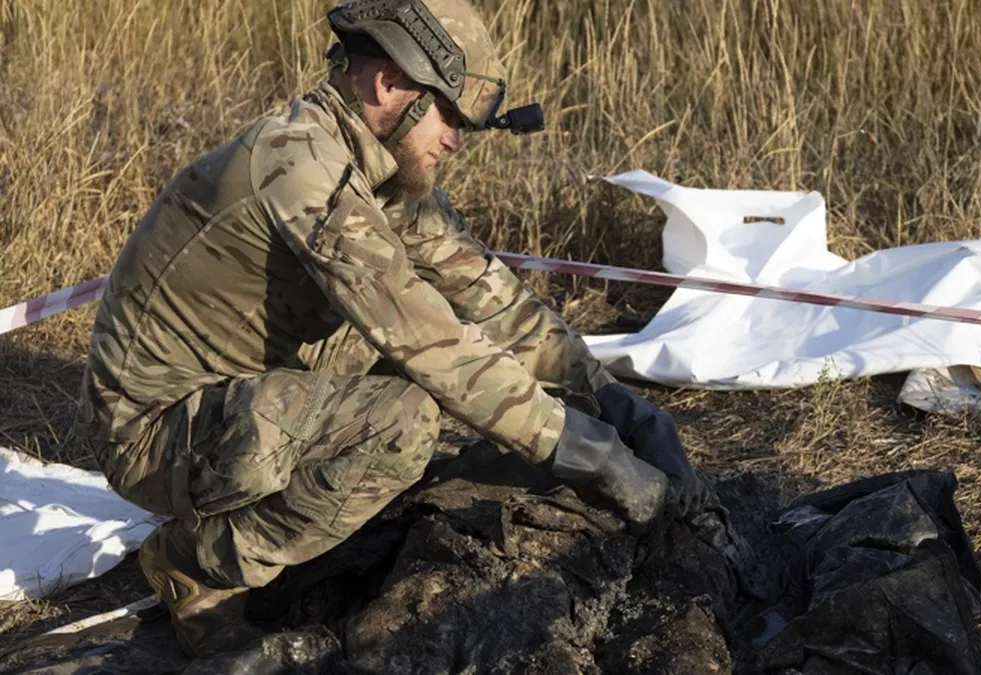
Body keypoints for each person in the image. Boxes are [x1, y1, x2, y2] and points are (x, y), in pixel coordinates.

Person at [73, 0, 704, 659]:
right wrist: (584, 450)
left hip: (230, 401)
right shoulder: (303, 171)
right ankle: (199, 563)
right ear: (387, 84)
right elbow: (429, 341)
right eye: (450, 117)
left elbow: (486, 294)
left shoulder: (378, 166)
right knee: (404, 421)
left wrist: (608, 397)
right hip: (151, 430)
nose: (456, 141)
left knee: (438, 386)